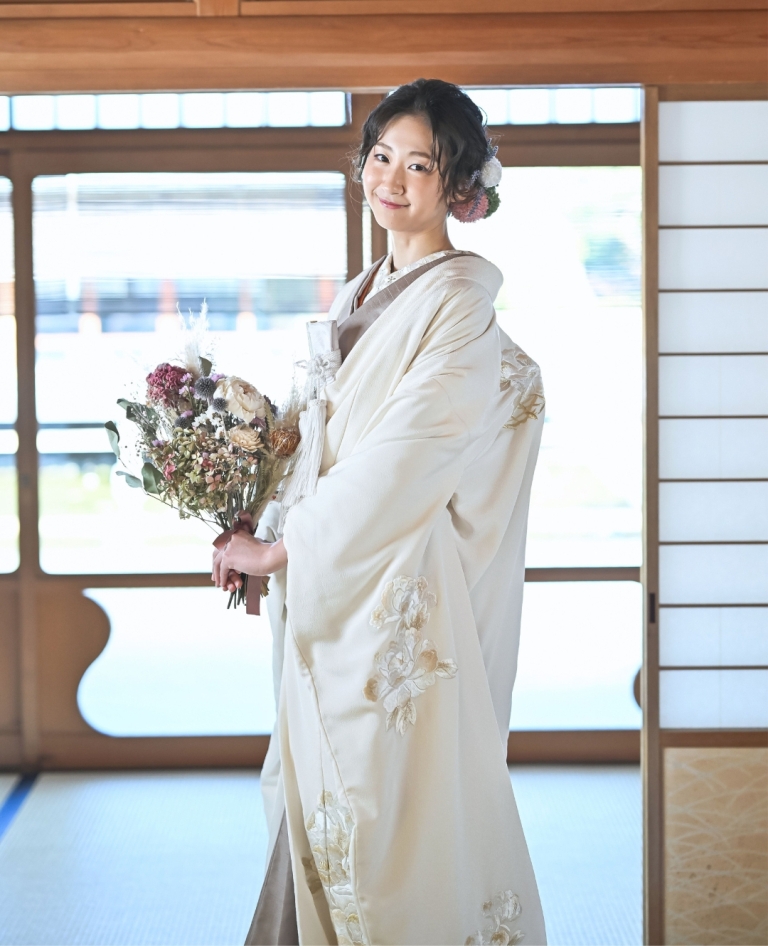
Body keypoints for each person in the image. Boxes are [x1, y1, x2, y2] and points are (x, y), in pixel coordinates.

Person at [213, 78, 547, 946]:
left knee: (383, 824)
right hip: (334, 579)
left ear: (458, 183)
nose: (391, 178)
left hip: (394, 594)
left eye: (420, 164)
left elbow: (410, 451)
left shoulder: (460, 300)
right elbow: (313, 442)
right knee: (315, 805)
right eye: (380, 155)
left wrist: (286, 548)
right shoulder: (361, 291)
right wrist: (255, 525)